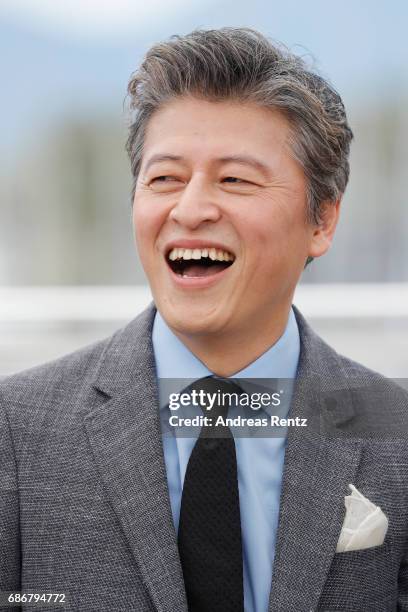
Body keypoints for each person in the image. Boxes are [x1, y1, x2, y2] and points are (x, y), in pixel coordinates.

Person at [1, 27, 407, 612]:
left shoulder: (395, 431)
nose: (189, 208)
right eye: (164, 178)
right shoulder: (15, 430)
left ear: (321, 220)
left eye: (235, 179)